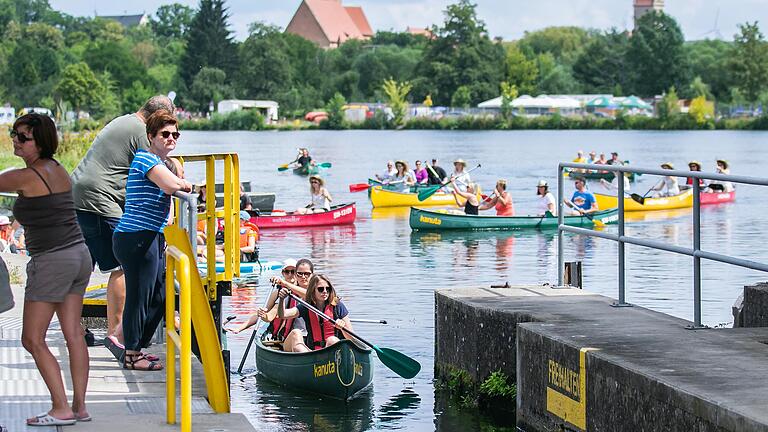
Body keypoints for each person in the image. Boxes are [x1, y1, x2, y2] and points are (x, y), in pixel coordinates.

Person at [0, 113, 92, 425]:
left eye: (22, 137)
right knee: (73, 334)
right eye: (14, 133)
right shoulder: (58, 170)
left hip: (53, 260)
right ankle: (79, 407)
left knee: (32, 339)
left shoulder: (28, 176)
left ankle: (60, 409)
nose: (15, 140)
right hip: (79, 255)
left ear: (40, 143)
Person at [71, 95, 174, 354]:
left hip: (77, 194)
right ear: (155, 118)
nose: (169, 135)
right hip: (100, 197)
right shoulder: (141, 131)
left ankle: (74, 328)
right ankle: (116, 334)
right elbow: (160, 169)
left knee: (84, 268)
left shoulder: (124, 121)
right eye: (165, 128)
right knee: (123, 266)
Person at [112, 110, 192, 372]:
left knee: (160, 294)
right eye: (165, 134)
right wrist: (184, 183)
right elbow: (170, 185)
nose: (171, 138)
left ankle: (136, 346)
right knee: (140, 296)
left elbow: (171, 177)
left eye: (175, 134)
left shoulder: (161, 162)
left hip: (152, 236)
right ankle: (132, 354)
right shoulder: (144, 159)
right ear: (151, 136)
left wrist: (177, 176)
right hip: (136, 237)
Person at [228, 258, 305, 339]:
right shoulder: (277, 293)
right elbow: (265, 315)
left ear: (298, 273)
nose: (290, 275)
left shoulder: (304, 290)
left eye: (293, 272)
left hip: (303, 333)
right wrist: (239, 329)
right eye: (287, 272)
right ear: (283, 273)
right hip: (286, 336)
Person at [277, 274, 354, 353]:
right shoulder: (306, 306)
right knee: (296, 334)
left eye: (327, 289)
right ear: (313, 290)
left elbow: (351, 338)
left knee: (332, 340)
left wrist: (342, 327)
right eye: (320, 289)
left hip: (332, 352)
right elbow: (283, 315)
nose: (325, 291)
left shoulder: (338, 306)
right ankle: (307, 361)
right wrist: (282, 299)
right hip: (311, 352)